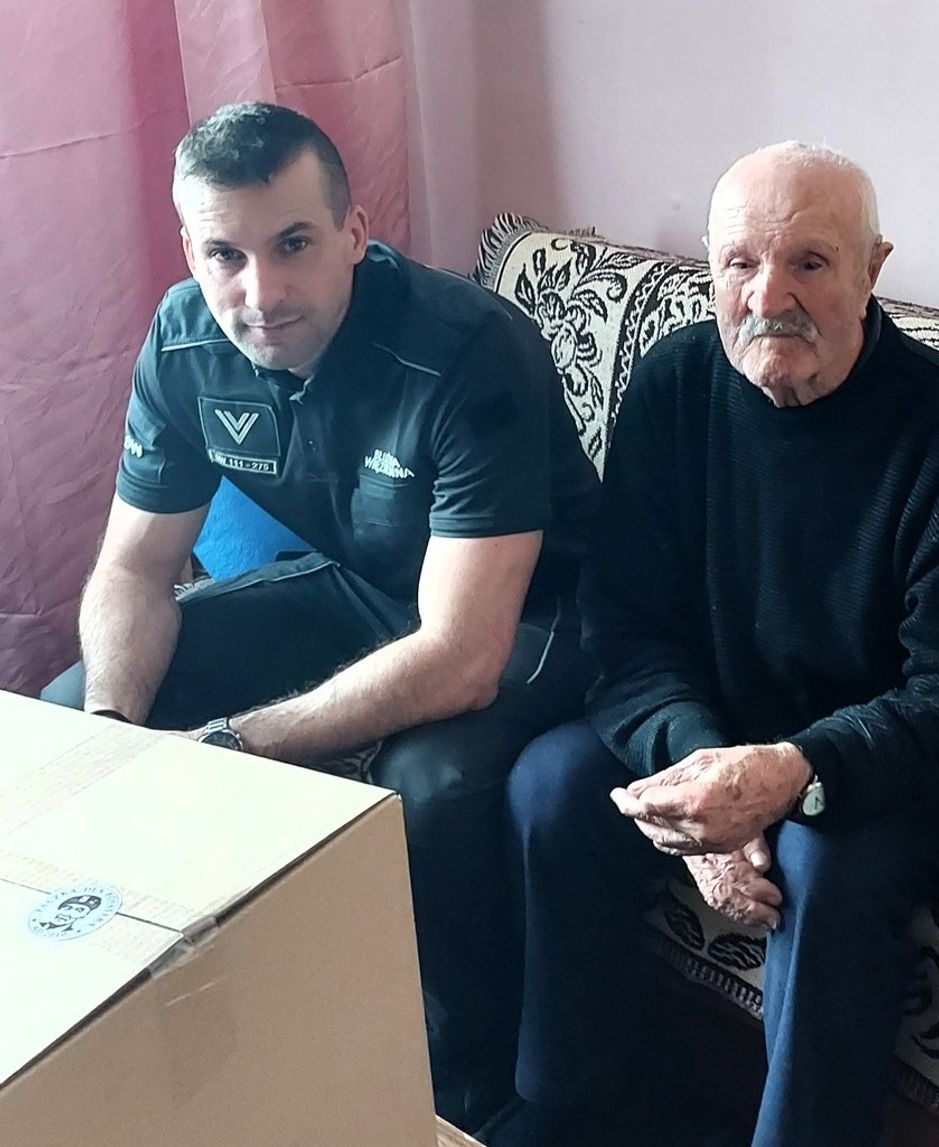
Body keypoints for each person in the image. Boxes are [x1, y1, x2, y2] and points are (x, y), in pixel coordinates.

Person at [40, 101, 600, 1130]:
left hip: (537, 611)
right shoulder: (183, 340)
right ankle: (160, 1038)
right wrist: (119, 738)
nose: (261, 294)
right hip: (364, 583)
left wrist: (228, 745)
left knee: (426, 788)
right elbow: (134, 569)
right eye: (226, 255)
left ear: (353, 232)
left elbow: (462, 654)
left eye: (293, 244)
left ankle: (466, 1098)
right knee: (75, 703)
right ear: (190, 250)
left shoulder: (470, 351)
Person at [489, 142, 939, 1147]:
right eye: (740, 263)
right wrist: (704, 765)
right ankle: (571, 1110)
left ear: (872, 270)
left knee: (821, 863)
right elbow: (624, 626)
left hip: (898, 763)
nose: (767, 296)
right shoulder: (674, 386)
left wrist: (791, 773)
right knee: (553, 786)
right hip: (725, 724)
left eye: (809, 263)